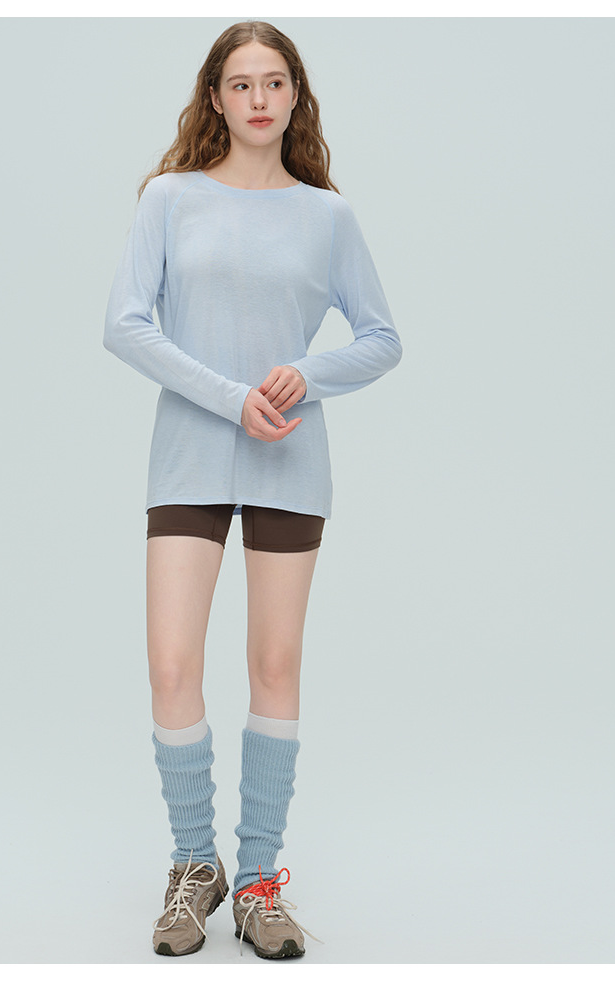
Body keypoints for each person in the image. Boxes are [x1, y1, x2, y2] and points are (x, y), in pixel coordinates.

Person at [103, 20, 402, 959]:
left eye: (275, 82)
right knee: (171, 665)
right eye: (241, 84)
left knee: (274, 664)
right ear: (216, 97)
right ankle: (196, 863)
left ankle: (261, 876)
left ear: (295, 95)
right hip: (190, 452)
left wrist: (306, 375)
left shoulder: (327, 216)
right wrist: (232, 398)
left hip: (289, 457)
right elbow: (124, 324)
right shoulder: (169, 197)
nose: (259, 99)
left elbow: (381, 337)